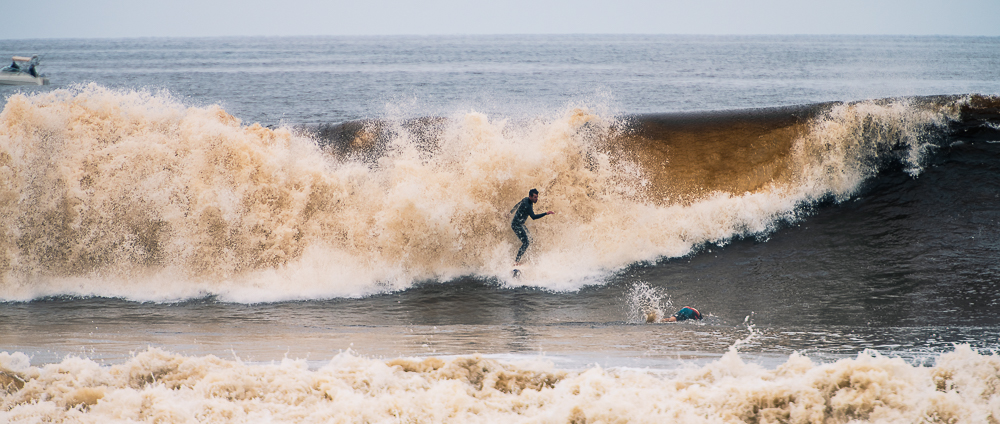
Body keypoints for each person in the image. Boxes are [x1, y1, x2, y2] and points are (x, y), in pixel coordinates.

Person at [509, 188, 555, 265]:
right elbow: (533, 217)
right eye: (535, 197)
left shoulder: (526, 199)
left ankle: (524, 258)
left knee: (530, 239)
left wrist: (510, 212)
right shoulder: (528, 205)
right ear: (530, 196)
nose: (536, 199)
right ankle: (516, 261)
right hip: (516, 225)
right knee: (526, 242)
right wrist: (546, 213)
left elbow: (517, 204)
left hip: (520, 224)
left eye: (537, 197)